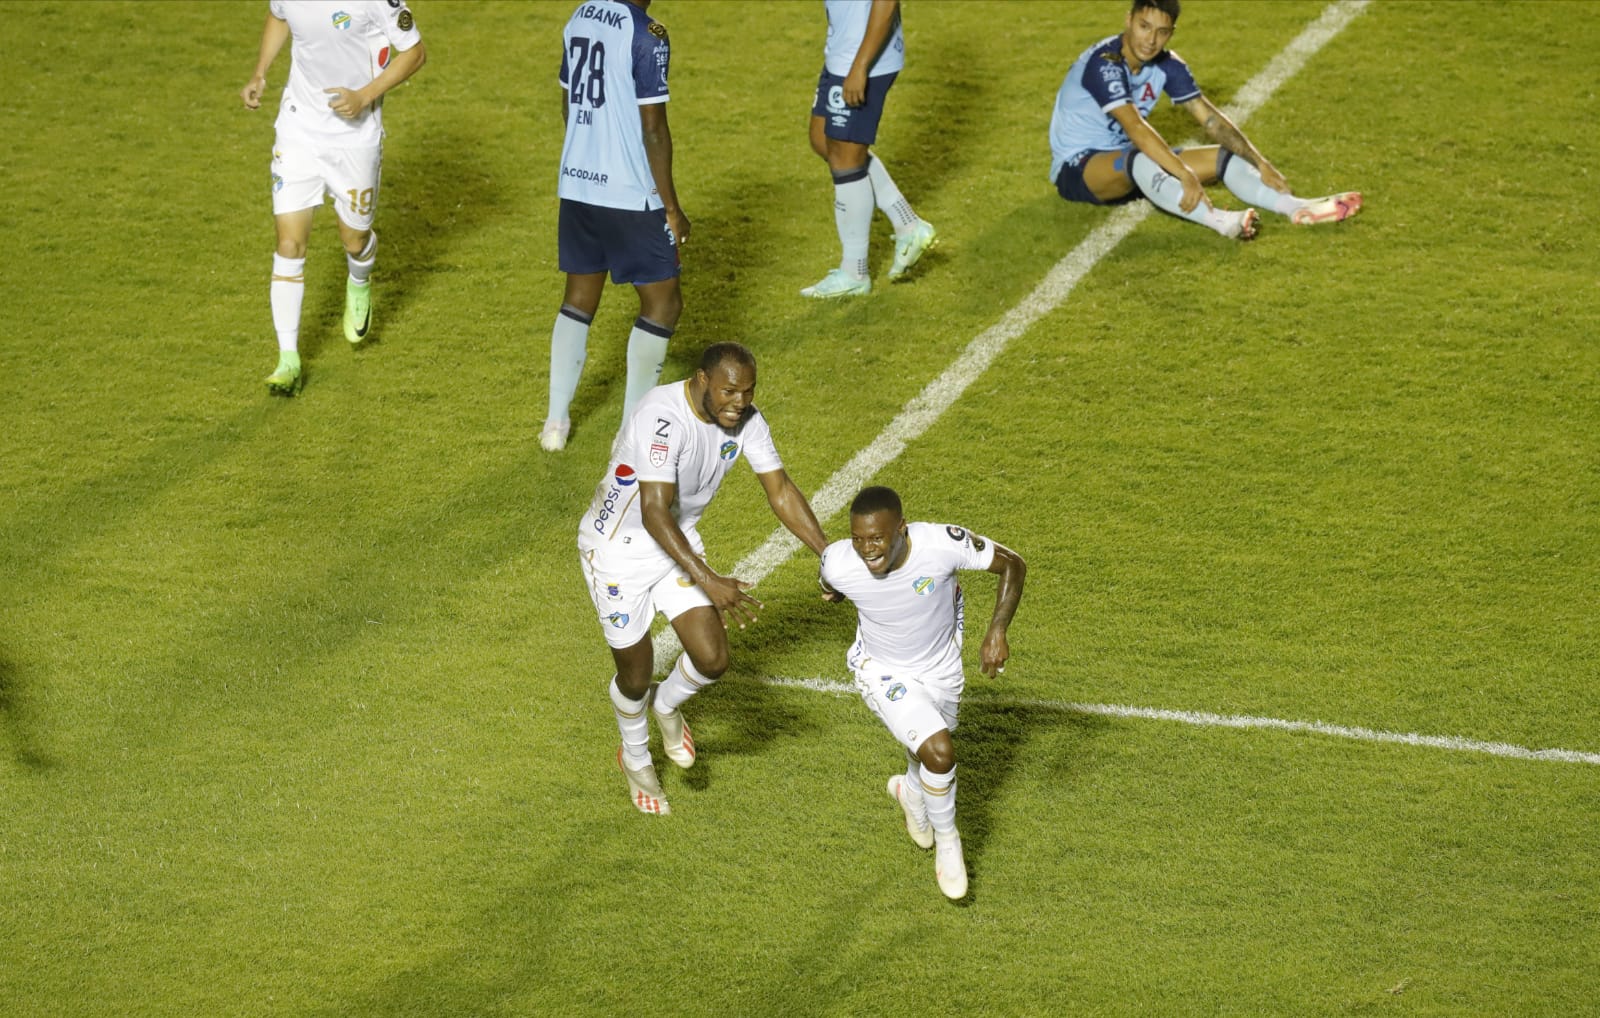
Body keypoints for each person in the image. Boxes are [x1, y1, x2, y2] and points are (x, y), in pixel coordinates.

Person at [578, 342, 828, 815]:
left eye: (748, 392)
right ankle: (635, 759)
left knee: (712, 660)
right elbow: (653, 511)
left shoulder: (747, 421)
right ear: (700, 380)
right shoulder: (662, 416)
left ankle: (668, 707)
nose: (739, 402)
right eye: (729, 391)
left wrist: (829, 556)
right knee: (635, 675)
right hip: (617, 554)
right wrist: (709, 579)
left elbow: (780, 490)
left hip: (677, 545)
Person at [819, 486, 1025, 900]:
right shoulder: (840, 562)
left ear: (902, 529)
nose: (866, 550)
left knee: (926, 751)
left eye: (876, 538)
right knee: (939, 750)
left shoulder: (940, 545)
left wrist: (997, 629)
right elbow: (829, 582)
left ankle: (910, 792)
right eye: (857, 539)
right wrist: (835, 590)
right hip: (880, 671)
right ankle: (949, 843)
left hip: (941, 668)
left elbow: (1013, 566)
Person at [1048, 0, 1361, 241]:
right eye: (1144, 26)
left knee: (1225, 159)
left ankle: (1294, 207)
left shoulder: (1168, 66)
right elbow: (1136, 129)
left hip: (1133, 164)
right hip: (1081, 168)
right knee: (1141, 157)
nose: (1151, 40)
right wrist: (1183, 173)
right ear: (1128, 21)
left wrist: (1260, 162)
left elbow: (1210, 119)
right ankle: (1223, 223)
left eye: (1162, 32)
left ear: (1171, 33)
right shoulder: (1104, 64)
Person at [240, 0, 427, 396]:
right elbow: (278, 15)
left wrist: (365, 95)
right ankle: (287, 359)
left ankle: (359, 280)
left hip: (355, 139)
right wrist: (260, 72)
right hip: (299, 128)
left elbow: (414, 51)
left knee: (354, 240)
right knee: (289, 244)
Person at [542, 0, 689, 453]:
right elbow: (654, 129)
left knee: (579, 299)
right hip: (628, 194)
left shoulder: (580, 16)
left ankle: (554, 424)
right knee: (663, 302)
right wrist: (670, 206)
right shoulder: (647, 34)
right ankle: (630, 432)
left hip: (578, 184)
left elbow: (568, 102)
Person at [802, 0, 937, 299]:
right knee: (822, 139)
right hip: (842, 50)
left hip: (863, 57)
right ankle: (909, 225)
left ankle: (854, 272)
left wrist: (860, 65)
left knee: (845, 159)